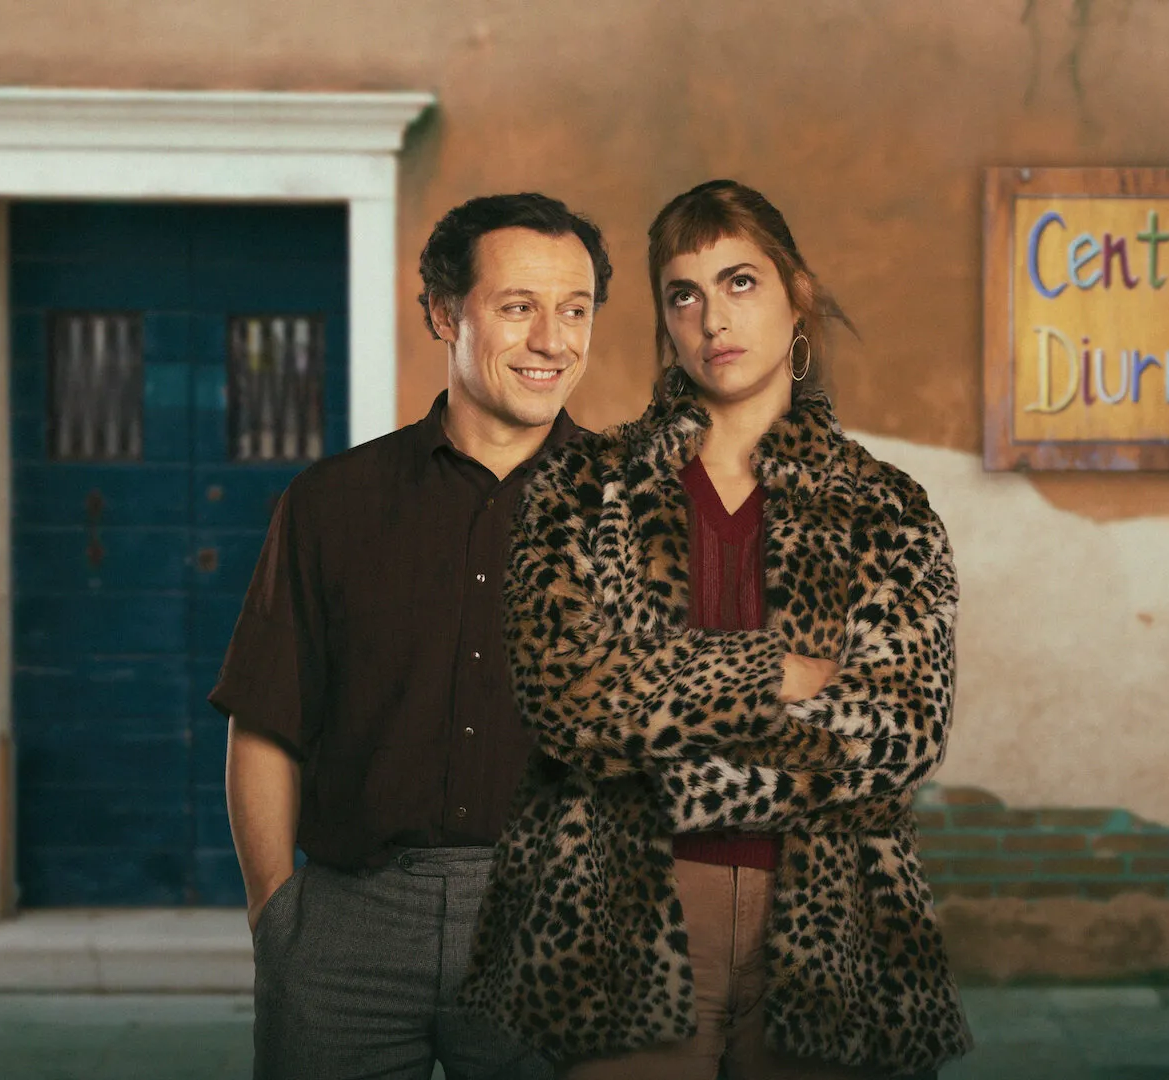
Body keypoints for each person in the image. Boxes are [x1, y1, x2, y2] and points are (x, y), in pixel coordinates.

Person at [460, 179, 974, 1078]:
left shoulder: (886, 507)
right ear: (666, 320)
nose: (713, 319)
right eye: (684, 294)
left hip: (833, 927)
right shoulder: (584, 489)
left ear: (795, 297)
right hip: (621, 924)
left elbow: (900, 733)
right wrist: (770, 673)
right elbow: (568, 700)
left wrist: (671, 764)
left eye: (740, 282)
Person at [211, 191, 612, 1080]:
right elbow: (266, 719)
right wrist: (279, 918)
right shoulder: (331, 503)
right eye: (519, 306)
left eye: (575, 310)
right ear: (442, 312)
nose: (552, 340)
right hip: (350, 929)